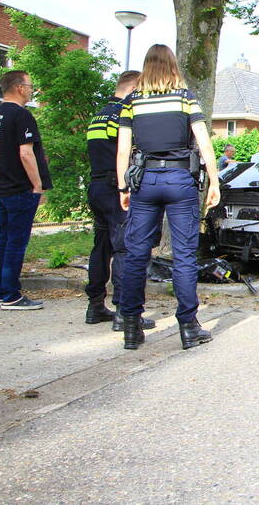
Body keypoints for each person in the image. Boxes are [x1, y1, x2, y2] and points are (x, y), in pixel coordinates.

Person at [116, 44, 220, 350]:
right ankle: (188, 327)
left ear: (146, 67)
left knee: (136, 254)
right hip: (180, 181)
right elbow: (204, 143)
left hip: (145, 181)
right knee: (184, 255)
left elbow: (123, 150)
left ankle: (131, 327)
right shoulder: (185, 97)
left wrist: (123, 187)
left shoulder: (132, 101)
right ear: (173, 66)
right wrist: (214, 182)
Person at [85, 70, 156, 332]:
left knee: (101, 247)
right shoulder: (124, 114)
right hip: (116, 188)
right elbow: (130, 152)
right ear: (134, 88)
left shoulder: (99, 114)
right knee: (125, 248)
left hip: (96, 186)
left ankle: (95, 305)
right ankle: (124, 312)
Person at [0, 71, 52, 310]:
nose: (32, 90)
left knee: (4, 239)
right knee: (16, 241)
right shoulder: (21, 114)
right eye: (30, 85)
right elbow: (26, 153)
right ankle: (11, 296)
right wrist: (37, 184)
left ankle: (1, 291)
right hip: (20, 187)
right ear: (19, 88)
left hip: (2, 185)